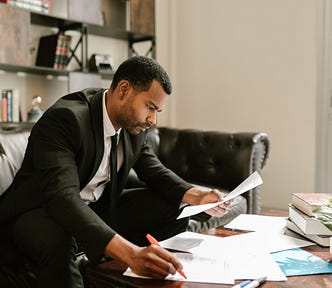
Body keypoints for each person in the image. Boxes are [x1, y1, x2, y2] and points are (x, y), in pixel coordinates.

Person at [0, 56, 231, 288]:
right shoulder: (66, 119)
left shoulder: (134, 126)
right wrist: (131, 253)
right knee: (57, 240)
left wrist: (194, 196)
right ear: (124, 89)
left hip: (97, 208)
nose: (152, 119)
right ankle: (128, 262)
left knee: (172, 204)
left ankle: (153, 272)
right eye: (150, 107)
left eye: (157, 110)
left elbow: (154, 171)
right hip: (38, 212)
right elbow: (63, 198)